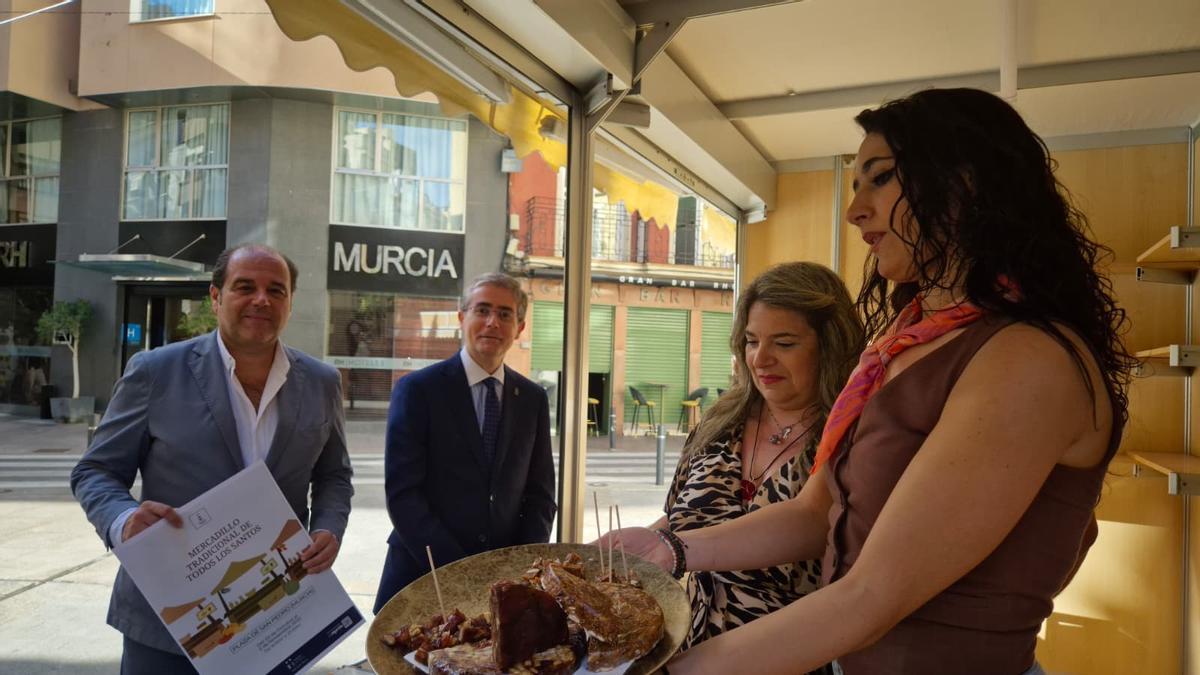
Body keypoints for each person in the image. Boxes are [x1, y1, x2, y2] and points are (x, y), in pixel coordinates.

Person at [604, 88, 1135, 675]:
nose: (855, 210)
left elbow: (870, 599)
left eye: (879, 179)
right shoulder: (906, 344)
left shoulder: (1026, 359)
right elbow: (816, 514)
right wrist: (672, 549)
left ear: (963, 188)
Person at [71, 244, 354, 674]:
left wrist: (328, 528)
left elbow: (334, 476)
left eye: (276, 290)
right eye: (245, 287)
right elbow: (95, 470)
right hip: (171, 621)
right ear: (216, 297)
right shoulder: (155, 371)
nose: (262, 299)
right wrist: (123, 521)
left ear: (290, 303)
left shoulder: (322, 381)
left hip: (278, 616)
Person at [647, 262, 861, 660]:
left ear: (830, 347)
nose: (760, 359)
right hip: (686, 650)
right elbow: (675, 519)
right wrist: (625, 555)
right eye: (750, 341)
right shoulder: (719, 421)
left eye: (784, 343)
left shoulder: (853, 434)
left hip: (786, 657)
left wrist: (669, 548)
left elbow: (817, 527)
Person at [374, 272, 556, 613]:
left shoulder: (532, 399)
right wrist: (463, 572)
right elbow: (403, 495)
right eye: (482, 310)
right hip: (423, 576)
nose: (492, 322)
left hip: (504, 586)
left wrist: (519, 567)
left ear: (519, 328)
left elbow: (541, 496)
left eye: (505, 314)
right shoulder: (418, 391)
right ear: (462, 318)